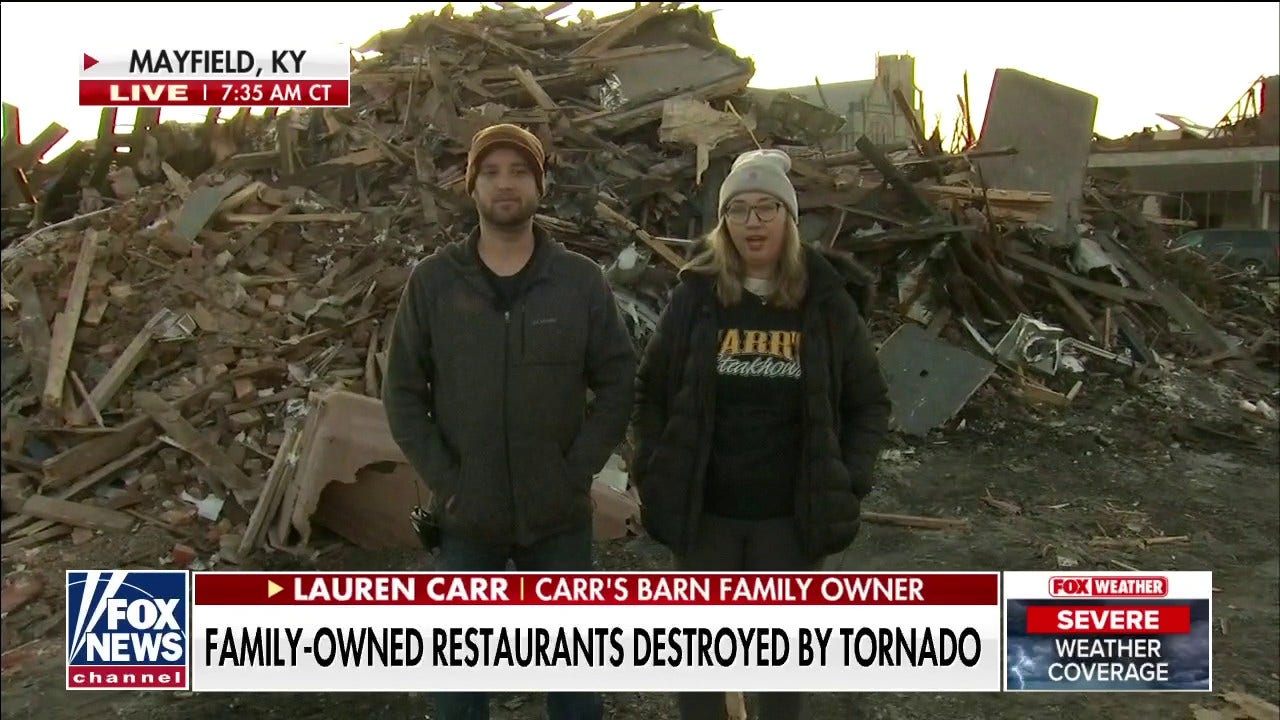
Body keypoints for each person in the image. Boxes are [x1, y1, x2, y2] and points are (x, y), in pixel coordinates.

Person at [382, 123, 636, 720]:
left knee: (574, 685)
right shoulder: (435, 283)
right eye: (491, 172)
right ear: (471, 187)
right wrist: (450, 481)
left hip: (558, 517)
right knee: (458, 692)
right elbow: (401, 393)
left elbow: (620, 378)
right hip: (469, 517)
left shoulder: (577, 282)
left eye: (520, 171)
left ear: (540, 185)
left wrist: (575, 471)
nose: (505, 184)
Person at [631, 149, 892, 720]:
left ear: (790, 220)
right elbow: (651, 388)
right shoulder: (697, 297)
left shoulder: (824, 302)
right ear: (723, 223)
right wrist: (651, 467)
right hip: (708, 520)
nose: (753, 222)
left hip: (788, 524)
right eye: (740, 210)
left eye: (768, 207)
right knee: (702, 679)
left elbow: (868, 401)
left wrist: (849, 478)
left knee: (778, 680)